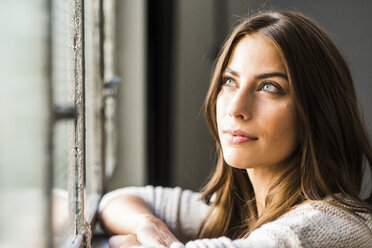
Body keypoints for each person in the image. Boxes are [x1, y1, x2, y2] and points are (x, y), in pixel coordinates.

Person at [99, 11, 372, 248]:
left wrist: (124, 242)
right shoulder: (241, 210)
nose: (235, 108)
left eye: (269, 87)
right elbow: (116, 201)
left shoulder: (337, 225)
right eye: (229, 81)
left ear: (316, 112)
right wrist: (147, 225)